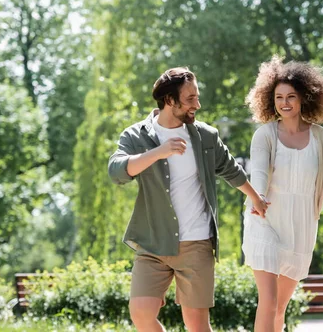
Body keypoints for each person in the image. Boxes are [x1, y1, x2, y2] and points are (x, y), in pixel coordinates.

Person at [108, 67, 268, 332]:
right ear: (170, 100)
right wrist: (158, 152)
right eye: (191, 98)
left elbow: (230, 168)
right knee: (141, 314)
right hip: (153, 242)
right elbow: (117, 172)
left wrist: (256, 199)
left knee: (196, 324)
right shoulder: (136, 136)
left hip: (196, 243)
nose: (198, 104)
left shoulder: (205, 136)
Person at [242, 56, 323, 332]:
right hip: (265, 219)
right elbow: (259, 174)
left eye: (291, 96)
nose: (285, 102)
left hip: (301, 227)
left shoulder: (320, 138)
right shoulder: (264, 135)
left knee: (280, 307)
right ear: (270, 99)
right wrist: (259, 197)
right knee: (269, 299)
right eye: (278, 97)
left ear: (305, 98)